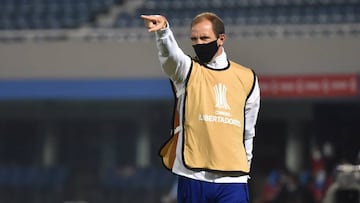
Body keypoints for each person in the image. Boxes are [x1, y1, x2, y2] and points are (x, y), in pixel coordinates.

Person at [141, 12, 260, 203]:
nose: (199, 43)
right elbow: (170, 57)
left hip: (233, 179)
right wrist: (163, 32)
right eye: (194, 39)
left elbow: (248, 131)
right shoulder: (187, 71)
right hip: (193, 175)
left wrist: (244, 168)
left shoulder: (247, 78)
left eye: (205, 38)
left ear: (221, 39)